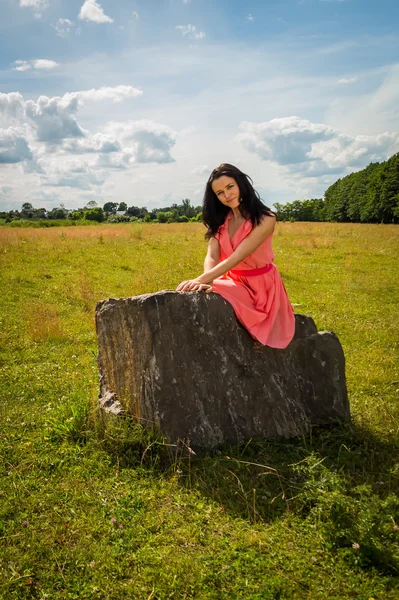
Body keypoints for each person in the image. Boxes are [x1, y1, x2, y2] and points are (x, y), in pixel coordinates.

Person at [176, 163, 295, 348]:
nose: (227, 195)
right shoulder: (222, 221)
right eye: (220, 193)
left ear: (240, 184)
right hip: (233, 280)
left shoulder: (266, 219)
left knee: (194, 289)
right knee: (191, 292)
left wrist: (202, 279)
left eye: (230, 187)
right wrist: (207, 282)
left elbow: (237, 257)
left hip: (261, 288)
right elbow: (212, 255)